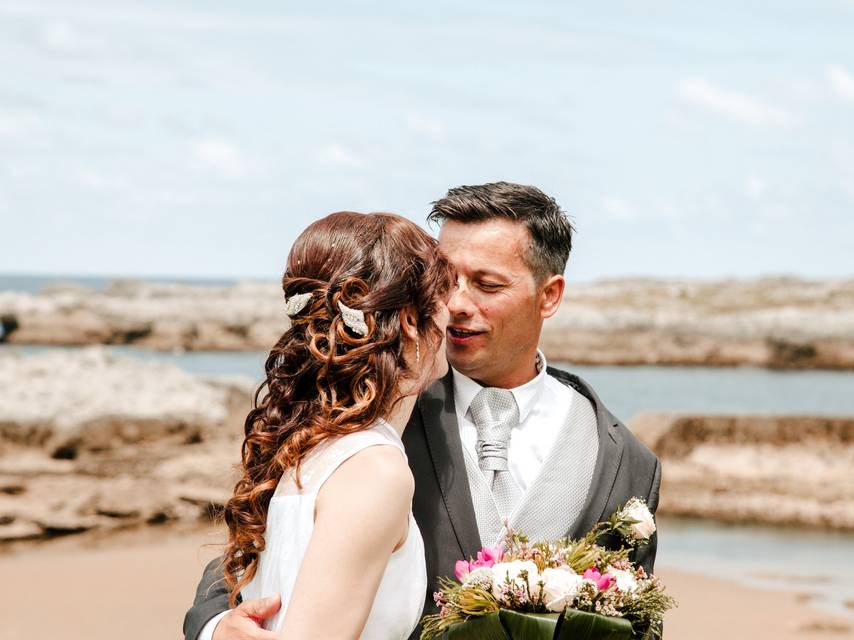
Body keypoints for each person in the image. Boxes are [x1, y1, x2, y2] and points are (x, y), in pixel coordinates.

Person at [184, 183, 662, 640]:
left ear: (550, 295)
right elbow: (255, 549)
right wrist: (217, 627)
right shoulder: (371, 419)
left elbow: (635, 619)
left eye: (487, 285)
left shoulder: (627, 462)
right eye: (445, 280)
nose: (455, 305)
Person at [191, 211, 455, 639]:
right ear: (409, 320)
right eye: (445, 296)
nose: (453, 313)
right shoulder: (375, 471)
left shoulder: (307, 450)